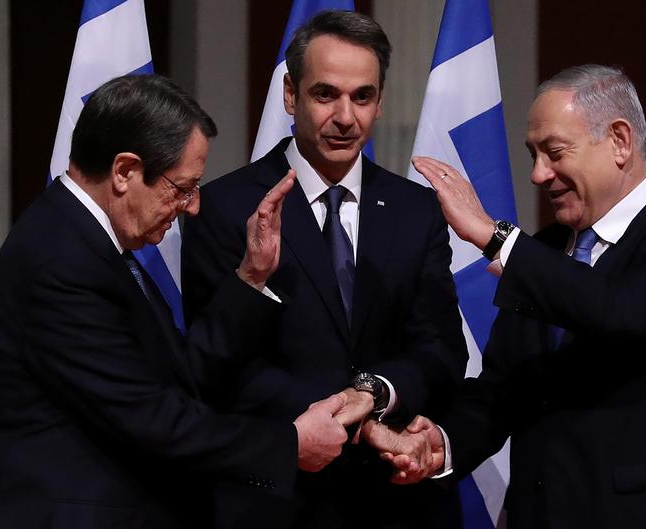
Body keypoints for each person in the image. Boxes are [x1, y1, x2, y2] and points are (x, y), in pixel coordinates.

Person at [364, 64, 646, 528]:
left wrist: (495, 236)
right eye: (532, 154)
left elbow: (619, 311)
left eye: (554, 152)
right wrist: (440, 444)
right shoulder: (546, 253)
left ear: (619, 141)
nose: (538, 174)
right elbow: (502, 390)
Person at [0, 74, 350, 529]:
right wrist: (287, 445)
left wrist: (250, 276)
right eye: (181, 188)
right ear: (124, 171)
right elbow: (151, 417)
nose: (193, 206)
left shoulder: (94, 247)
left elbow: (173, 377)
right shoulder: (60, 262)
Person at [182, 10, 467, 529]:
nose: (345, 117)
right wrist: (352, 420)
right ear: (290, 95)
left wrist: (375, 393)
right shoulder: (225, 207)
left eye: (362, 96)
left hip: (396, 503)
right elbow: (219, 366)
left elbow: (442, 349)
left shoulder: (415, 209)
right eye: (325, 94)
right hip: (277, 503)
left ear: (380, 102)